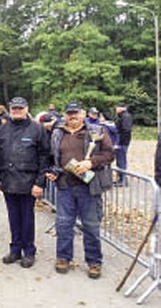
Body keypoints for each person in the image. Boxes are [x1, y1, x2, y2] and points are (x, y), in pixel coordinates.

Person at [46, 102, 114, 279]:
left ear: (83, 114)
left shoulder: (97, 131)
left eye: (76, 113)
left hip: (89, 187)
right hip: (65, 186)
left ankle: (94, 261)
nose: (72, 116)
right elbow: (52, 158)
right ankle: (63, 258)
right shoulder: (57, 133)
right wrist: (53, 172)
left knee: (91, 225)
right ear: (65, 115)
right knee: (63, 224)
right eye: (69, 113)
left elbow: (109, 154)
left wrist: (91, 163)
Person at [0, 97, 50, 268]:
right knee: (13, 217)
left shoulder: (37, 129)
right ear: (10, 109)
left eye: (20, 108)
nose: (17, 111)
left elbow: (45, 157)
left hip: (29, 182)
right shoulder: (2, 129)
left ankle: (29, 252)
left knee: (27, 218)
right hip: (8, 181)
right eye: (14, 108)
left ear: (27, 108)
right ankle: (15, 250)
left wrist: (40, 183)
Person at [115, 103, 133, 186]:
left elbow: (126, 130)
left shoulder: (125, 117)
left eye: (118, 107)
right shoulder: (123, 116)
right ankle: (121, 178)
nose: (116, 109)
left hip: (122, 142)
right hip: (123, 141)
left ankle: (123, 180)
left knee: (121, 160)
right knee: (120, 160)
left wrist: (120, 142)